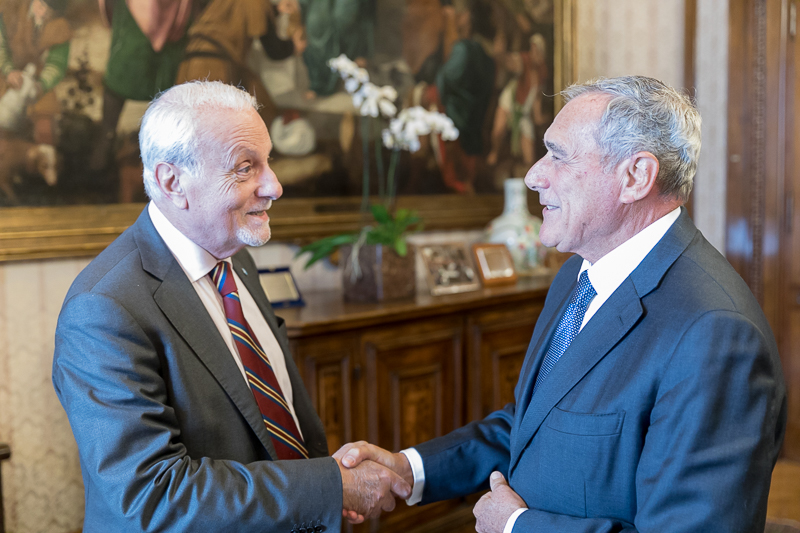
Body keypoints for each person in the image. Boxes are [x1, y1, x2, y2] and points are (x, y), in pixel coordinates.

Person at [338, 76, 788, 532]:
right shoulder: (580, 273)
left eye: (558, 155)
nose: (534, 175)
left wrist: (517, 526)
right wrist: (409, 469)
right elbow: (533, 423)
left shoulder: (715, 334)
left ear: (635, 177)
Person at [52, 80, 410, 532]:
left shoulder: (238, 263)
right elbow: (152, 496)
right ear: (172, 181)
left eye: (269, 161)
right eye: (246, 167)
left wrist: (321, 494)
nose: (274, 186)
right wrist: (330, 486)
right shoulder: (102, 308)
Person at [0, 0, 71, 145]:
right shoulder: (8, 10)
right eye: (41, 5)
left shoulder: (60, 26)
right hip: (5, 72)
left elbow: (56, 64)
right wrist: (9, 71)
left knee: (45, 128)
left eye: (50, 11)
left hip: (37, 79)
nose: (44, 13)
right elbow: (0, 47)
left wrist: (40, 85)